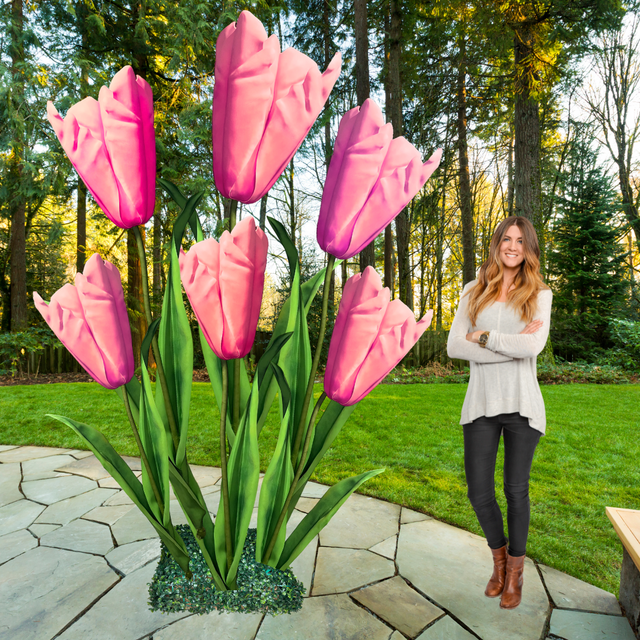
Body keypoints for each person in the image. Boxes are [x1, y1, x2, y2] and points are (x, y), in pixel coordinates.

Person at [446, 216, 552, 610]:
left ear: (529, 249)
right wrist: (508, 346)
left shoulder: (540, 293)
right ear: (496, 244)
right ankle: (499, 559)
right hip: (481, 404)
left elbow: (532, 348)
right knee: (478, 492)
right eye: (506, 239)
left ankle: (514, 575)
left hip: (522, 405)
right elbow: (455, 347)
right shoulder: (473, 290)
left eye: (520, 241)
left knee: (515, 490)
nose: (512, 246)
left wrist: (485, 337)